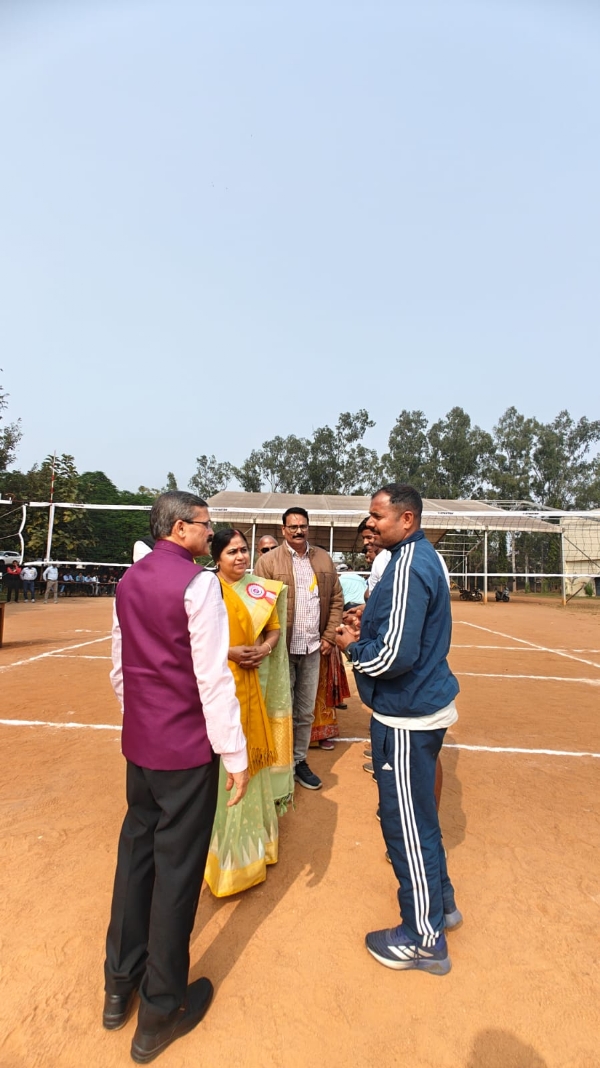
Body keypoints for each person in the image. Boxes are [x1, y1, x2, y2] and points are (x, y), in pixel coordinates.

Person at [103, 491, 249, 1063]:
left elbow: (121, 666)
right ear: (182, 528)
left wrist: (139, 720)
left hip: (141, 745)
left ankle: (119, 986)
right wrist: (233, 754)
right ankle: (160, 1009)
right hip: (185, 750)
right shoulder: (197, 584)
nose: (210, 537)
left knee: (135, 858)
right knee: (177, 874)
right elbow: (212, 678)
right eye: (206, 528)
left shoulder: (128, 580)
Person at [336, 484, 461, 976]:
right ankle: (442, 905)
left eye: (377, 517)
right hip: (418, 708)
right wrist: (371, 623)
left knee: (405, 826)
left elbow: (394, 656)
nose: (371, 525)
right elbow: (403, 630)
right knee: (422, 821)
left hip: (406, 716)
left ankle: (422, 938)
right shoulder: (416, 558)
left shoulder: (408, 565)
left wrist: (352, 645)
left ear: (406, 520)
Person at [205, 528, 293, 897]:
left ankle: (258, 848)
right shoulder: (205, 591)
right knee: (225, 765)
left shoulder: (261, 589)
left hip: (257, 684)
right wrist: (230, 653)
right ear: (217, 559)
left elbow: (273, 630)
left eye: (243, 550)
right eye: (231, 552)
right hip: (221, 689)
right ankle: (223, 856)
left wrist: (265, 649)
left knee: (251, 765)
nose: (240, 557)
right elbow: (200, 640)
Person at [255, 506, 343, 791]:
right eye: (292, 526)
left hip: (313, 648)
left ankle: (299, 761)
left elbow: (337, 600)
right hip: (280, 649)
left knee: (305, 711)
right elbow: (257, 605)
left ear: (308, 527)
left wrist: (329, 636)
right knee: (280, 708)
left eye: (302, 525)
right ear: (283, 530)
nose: (298, 530)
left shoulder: (324, 559)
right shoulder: (268, 562)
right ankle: (278, 763)